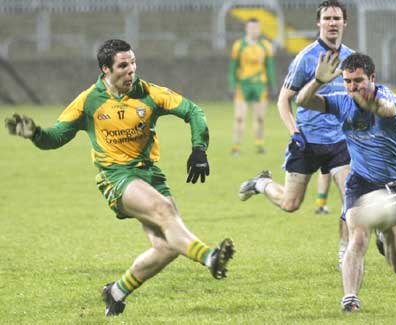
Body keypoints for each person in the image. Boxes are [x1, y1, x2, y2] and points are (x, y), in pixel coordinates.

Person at [4, 39, 235, 317]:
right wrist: (36, 134)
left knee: (167, 247)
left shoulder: (148, 92)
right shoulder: (89, 101)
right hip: (115, 177)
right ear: (105, 70)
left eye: (133, 63)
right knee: (164, 211)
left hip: (150, 174)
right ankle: (210, 257)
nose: (131, 71)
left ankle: (116, 292)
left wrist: (199, 148)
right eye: (123, 65)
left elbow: (193, 111)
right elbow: (56, 136)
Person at [296, 51, 396, 312]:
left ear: (372, 78)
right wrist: (317, 80)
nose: (352, 87)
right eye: (348, 82)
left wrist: (371, 103)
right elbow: (303, 100)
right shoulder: (342, 101)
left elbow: (387, 109)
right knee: (357, 239)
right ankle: (350, 298)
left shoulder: (389, 99)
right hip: (361, 182)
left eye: (358, 81)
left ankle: (384, 232)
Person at [238, 0, 352, 267]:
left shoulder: (351, 58)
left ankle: (345, 255)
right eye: (327, 18)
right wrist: (295, 132)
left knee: (351, 200)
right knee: (290, 204)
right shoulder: (306, 57)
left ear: (344, 23)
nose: (332, 23)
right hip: (308, 141)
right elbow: (283, 100)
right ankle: (261, 184)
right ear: (319, 23)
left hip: (339, 142)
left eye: (337, 18)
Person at [228, 17, 276, 155]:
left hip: (260, 85)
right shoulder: (239, 46)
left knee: (260, 117)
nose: (254, 30)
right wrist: (232, 85)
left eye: (257, 28)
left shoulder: (266, 46)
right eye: (252, 28)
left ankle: (259, 145)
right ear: (247, 29)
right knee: (239, 117)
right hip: (243, 85)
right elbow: (233, 67)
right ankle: (236, 146)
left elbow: (269, 67)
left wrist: (272, 85)